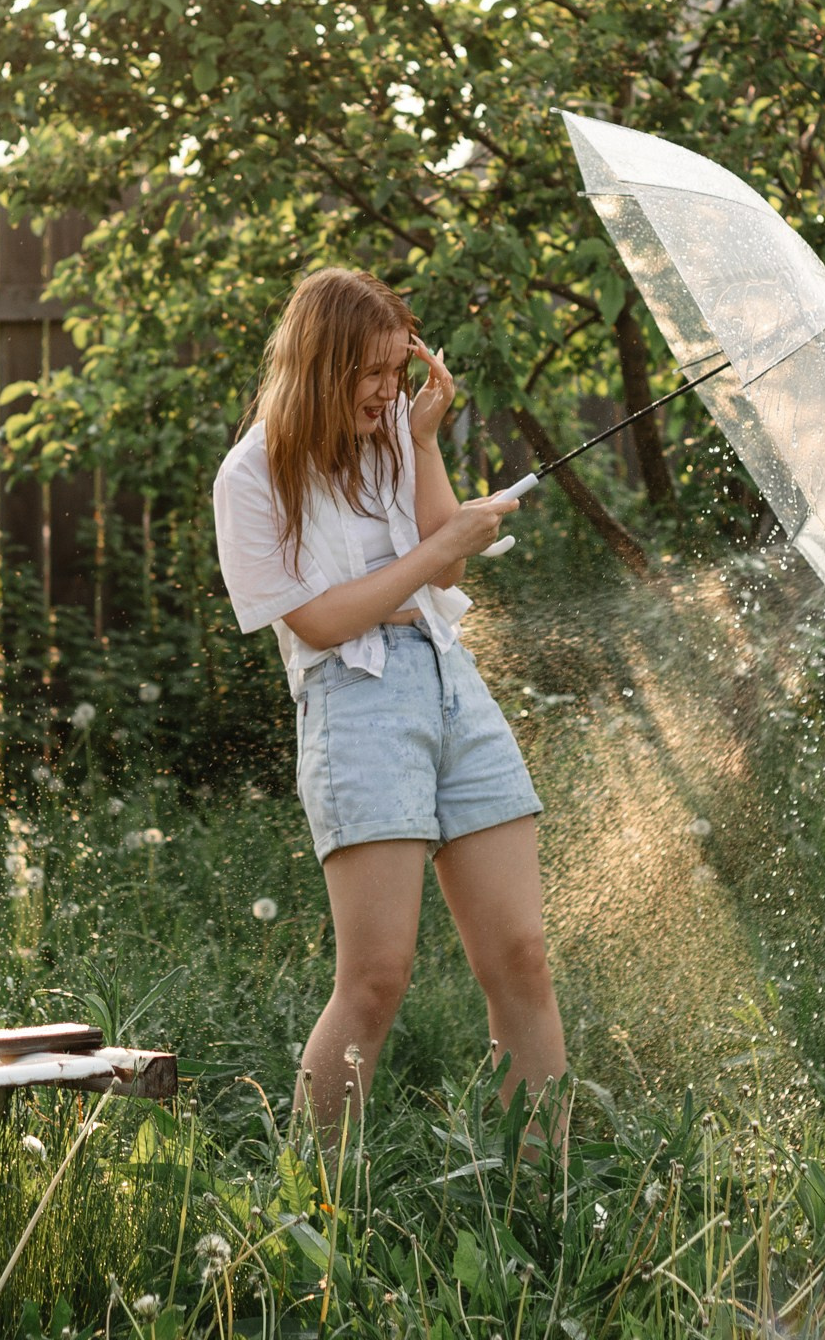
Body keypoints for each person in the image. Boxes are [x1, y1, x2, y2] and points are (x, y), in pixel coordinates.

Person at [213, 266, 566, 1136]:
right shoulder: (252, 474)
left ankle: (545, 1205)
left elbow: (445, 569)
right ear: (320, 364)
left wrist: (428, 440)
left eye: (397, 370)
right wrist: (437, 546)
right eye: (370, 373)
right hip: (356, 702)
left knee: (522, 958)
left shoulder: (397, 436)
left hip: (453, 683)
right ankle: (314, 1204)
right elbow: (323, 620)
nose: (388, 390)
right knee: (376, 978)